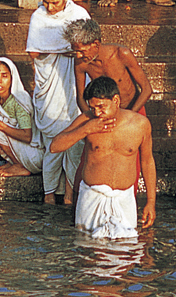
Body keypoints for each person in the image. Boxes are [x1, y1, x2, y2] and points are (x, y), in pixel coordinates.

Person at [50, 76, 156, 239]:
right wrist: (86, 129)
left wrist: (150, 201)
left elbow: (147, 162)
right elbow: (55, 146)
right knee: (89, 255)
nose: (97, 113)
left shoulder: (140, 124)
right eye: (93, 108)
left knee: (125, 256)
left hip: (124, 199)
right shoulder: (87, 119)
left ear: (116, 100)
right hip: (91, 197)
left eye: (101, 107)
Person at [26, 0, 91, 204]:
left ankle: (71, 194)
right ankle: (49, 193)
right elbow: (34, 53)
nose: (50, 7)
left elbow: (86, 48)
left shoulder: (79, 15)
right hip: (49, 82)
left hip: (74, 82)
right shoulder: (38, 17)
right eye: (46, 2)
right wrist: (64, 49)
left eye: (55, 2)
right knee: (53, 142)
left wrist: (59, 50)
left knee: (74, 142)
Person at [65, 18, 152, 119]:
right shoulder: (81, 63)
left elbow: (147, 89)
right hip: (104, 115)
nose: (79, 56)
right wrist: (94, 119)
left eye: (82, 51)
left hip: (133, 111)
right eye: (76, 52)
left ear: (96, 44)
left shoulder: (121, 54)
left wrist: (128, 116)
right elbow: (80, 98)